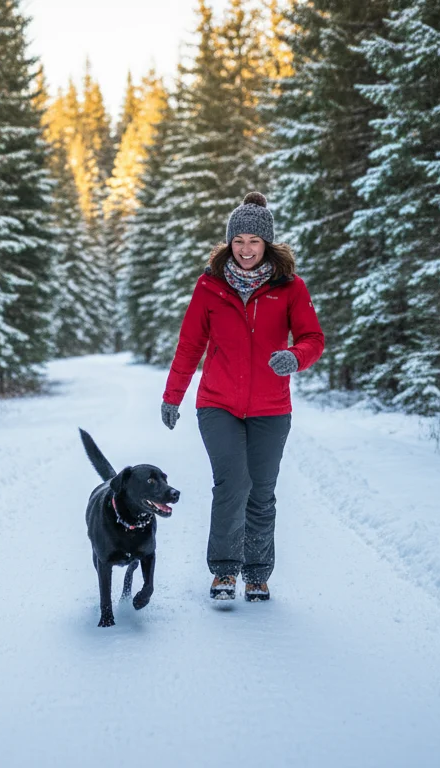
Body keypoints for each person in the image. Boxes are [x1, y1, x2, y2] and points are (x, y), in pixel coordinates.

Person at [160, 191, 325, 602]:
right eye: (239, 241)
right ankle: (223, 572)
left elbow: (313, 338)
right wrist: (172, 397)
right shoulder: (210, 287)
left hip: (271, 408)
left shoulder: (289, 287)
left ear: (266, 243)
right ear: (228, 243)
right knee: (232, 484)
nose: (246, 249)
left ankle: (256, 573)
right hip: (217, 404)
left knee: (262, 490)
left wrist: (295, 356)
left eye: (254, 241)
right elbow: (189, 345)